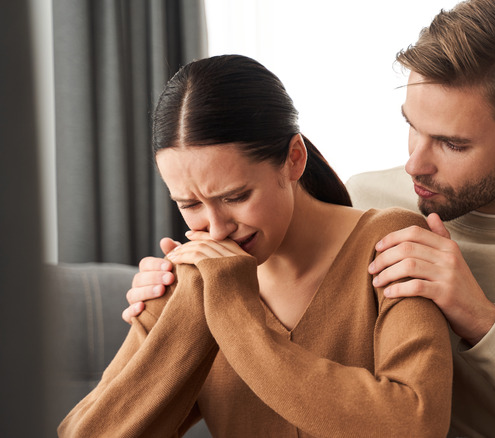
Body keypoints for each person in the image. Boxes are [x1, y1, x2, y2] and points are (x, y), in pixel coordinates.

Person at [125, 1, 495, 436]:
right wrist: (172, 305)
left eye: (451, 143)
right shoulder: (368, 202)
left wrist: (482, 320)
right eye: (411, 125)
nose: (415, 163)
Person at [59, 54, 453, 437]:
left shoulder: (390, 244)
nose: (215, 230)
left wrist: (233, 311)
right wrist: (195, 301)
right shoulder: (193, 277)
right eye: (190, 205)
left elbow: (414, 423)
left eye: (235, 196)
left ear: (293, 160)